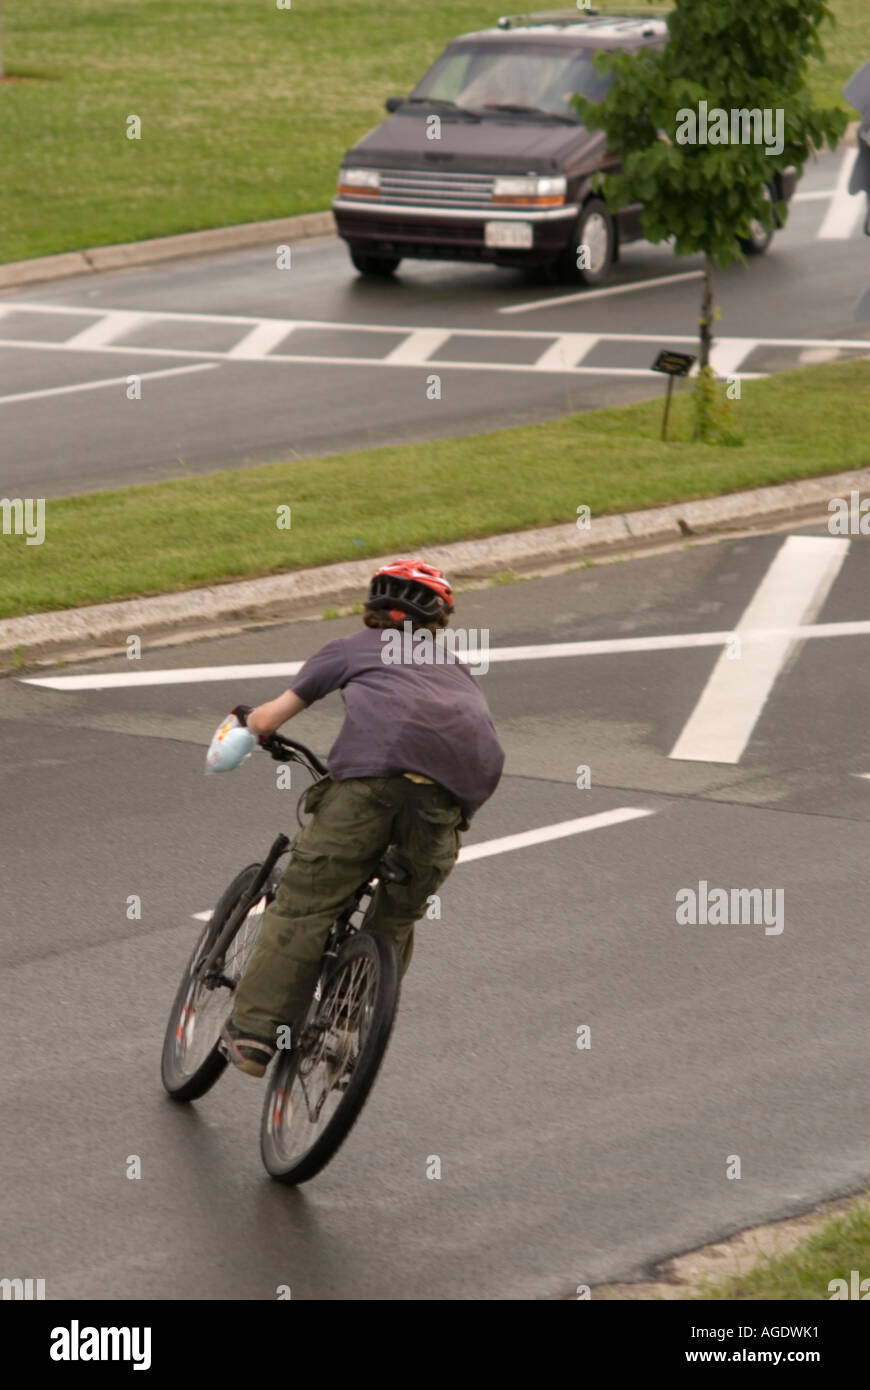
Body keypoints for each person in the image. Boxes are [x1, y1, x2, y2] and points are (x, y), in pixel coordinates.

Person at [220, 559, 505, 1076]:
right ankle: (347, 1028)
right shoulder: (456, 668)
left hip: (373, 783)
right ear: (437, 622)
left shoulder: (352, 649)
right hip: (452, 798)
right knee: (396, 915)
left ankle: (255, 1036)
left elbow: (270, 718)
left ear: (373, 607)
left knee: (306, 901)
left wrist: (246, 721)